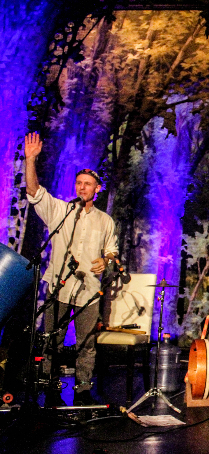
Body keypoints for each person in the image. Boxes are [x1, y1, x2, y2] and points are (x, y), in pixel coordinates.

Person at [24, 132, 118, 406]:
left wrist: (107, 260)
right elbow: (34, 192)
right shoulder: (61, 211)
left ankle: (84, 389)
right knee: (52, 339)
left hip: (89, 290)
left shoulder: (105, 220)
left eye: (88, 184)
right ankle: (50, 387)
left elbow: (112, 250)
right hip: (59, 286)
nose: (82, 187)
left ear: (97, 189)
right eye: (79, 183)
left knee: (86, 343)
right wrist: (31, 160)